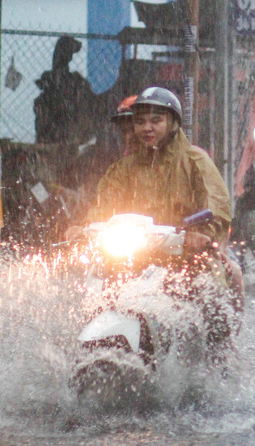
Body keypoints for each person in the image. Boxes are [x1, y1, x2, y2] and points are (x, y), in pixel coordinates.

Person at [88, 86, 245, 345]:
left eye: (156, 120)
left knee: (212, 297)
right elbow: (103, 205)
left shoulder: (195, 160)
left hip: (185, 257)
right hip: (134, 257)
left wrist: (201, 234)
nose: (146, 128)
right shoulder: (123, 168)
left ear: (172, 123)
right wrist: (85, 227)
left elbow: (216, 203)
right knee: (98, 294)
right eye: (140, 122)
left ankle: (218, 357)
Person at [33, 35, 100, 145]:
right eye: (68, 52)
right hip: (59, 130)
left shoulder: (73, 81)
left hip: (62, 131)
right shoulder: (65, 81)